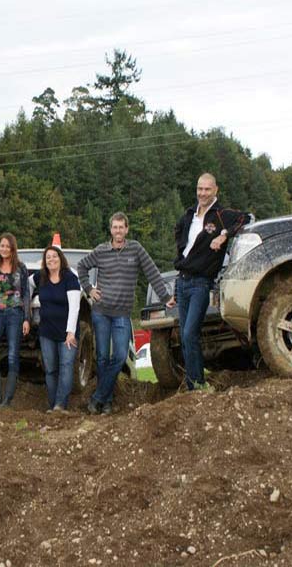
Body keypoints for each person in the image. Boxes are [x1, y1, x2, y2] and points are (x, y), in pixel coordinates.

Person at [78, 212, 173, 414]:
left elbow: (152, 272)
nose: (118, 231)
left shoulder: (136, 249)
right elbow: (81, 266)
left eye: (121, 227)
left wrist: (165, 297)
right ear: (110, 229)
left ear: (127, 229)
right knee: (102, 357)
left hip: (122, 314)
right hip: (101, 311)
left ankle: (97, 398)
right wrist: (89, 289)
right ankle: (108, 401)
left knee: (120, 356)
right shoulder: (101, 251)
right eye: (115, 227)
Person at [173, 173, 249, 390]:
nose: (202, 193)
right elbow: (178, 232)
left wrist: (224, 235)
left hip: (201, 283)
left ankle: (199, 383)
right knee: (184, 337)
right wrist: (181, 254)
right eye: (200, 189)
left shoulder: (222, 214)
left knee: (190, 334)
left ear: (216, 190)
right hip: (182, 281)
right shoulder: (189, 215)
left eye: (207, 189)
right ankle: (191, 386)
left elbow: (248, 218)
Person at [0, 233, 31, 408]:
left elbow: (26, 294)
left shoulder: (21, 268)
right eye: (2, 246)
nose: (4, 249)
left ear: (12, 249)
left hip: (15, 314)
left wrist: (27, 318)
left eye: (7, 246)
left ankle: (8, 399)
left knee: (12, 355)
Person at [31, 245, 81, 412]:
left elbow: (75, 307)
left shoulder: (70, 278)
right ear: (44, 262)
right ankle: (52, 405)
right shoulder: (40, 277)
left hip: (67, 333)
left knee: (66, 367)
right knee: (51, 369)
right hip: (47, 331)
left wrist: (71, 332)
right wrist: (27, 303)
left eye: (54, 256)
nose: (51, 260)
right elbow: (27, 284)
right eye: (48, 257)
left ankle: (60, 405)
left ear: (61, 259)